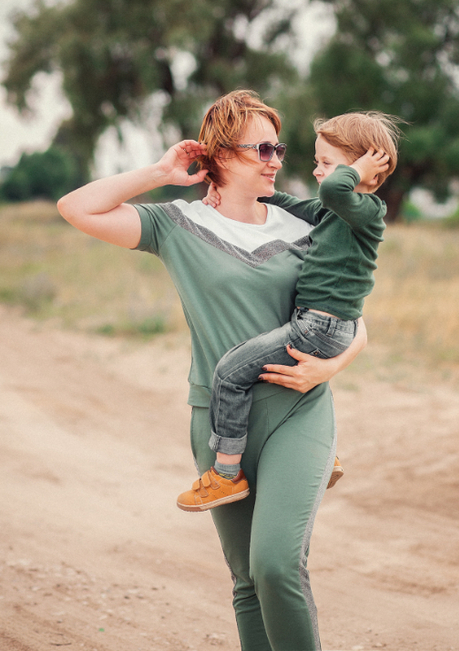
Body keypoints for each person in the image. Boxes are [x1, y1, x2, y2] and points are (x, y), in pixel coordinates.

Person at [57, 89, 368, 651]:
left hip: (298, 409)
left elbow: (353, 319)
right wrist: (159, 173)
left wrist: (329, 369)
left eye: (279, 149)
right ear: (221, 154)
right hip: (218, 421)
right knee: (247, 580)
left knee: (275, 565)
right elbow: (77, 208)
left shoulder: (308, 225)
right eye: (262, 149)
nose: (276, 160)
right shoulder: (176, 224)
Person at [177, 111, 398, 512]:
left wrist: (357, 171)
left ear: (366, 168)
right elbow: (294, 204)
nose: (317, 171)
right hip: (320, 324)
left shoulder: (367, 210)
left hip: (320, 326)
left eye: (326, 163)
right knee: (285, 378)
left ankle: (225, 473)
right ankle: (318, 455)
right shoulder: (335, 212)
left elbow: (333, 190)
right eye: (317, 162)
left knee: (228, 373)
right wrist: (229, 189)